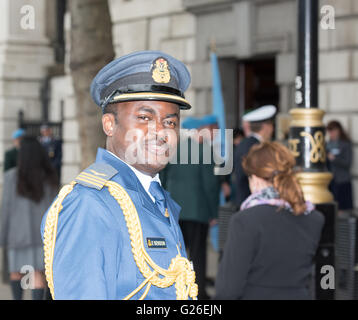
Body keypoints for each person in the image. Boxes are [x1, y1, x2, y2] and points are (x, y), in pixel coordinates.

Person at [40, 51, 198, 300]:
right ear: (109, 125)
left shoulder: (154, 195)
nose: (160, 132)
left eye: (170, 122)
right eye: (145, 118)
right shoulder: (89, 203)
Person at [215, 142, 325, 300]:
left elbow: (228, 289)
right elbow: (321, 276)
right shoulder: (314, 218)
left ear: (257, 179)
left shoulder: (245, 220)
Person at [160, 114, 221, 300]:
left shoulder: (172, 148)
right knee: (197, 255)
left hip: (174, 211)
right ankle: (198, 293)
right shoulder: (204, 150)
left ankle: (173, 291)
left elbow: (162, 178)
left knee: (174, 254)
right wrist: (213, 212)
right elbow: (210, 186)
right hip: (198, 211)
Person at [0, 136, 58, 300]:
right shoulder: (49, 178)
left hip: (17, 235)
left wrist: (2, 237)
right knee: (37, 274)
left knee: (16, 273)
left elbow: (6, 209)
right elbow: (54, 210)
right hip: (42, 235)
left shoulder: (12, 177)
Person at [234, 105, 277, 207]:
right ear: (266, 127)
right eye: (271, 125)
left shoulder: (246, 143)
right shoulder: (255, 146)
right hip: (253, 201)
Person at [326, 120, 354, 212]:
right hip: (331, 182)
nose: (331, 134)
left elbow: (347, 163)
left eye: (333, 131)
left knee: (343, 209)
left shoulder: (345, 144)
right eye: (330, 131)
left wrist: (334, 159)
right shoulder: (327, 144)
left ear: (338, 130)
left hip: (342, 181)